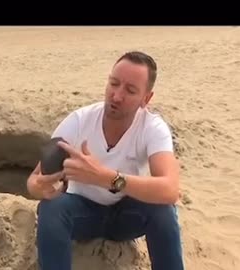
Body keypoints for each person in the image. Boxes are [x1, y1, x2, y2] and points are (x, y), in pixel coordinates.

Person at [26, 51, 184, 270]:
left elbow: (170, 189)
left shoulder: (153, 127)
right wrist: (39, 188)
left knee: (163, 210)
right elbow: (34, 180)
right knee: (51, 208)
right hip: (82, 213)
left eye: (130, 90)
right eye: (113, 83)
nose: (117, 96)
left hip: (127, 215)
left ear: (146, 99)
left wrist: (105, 178)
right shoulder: (79, 121)